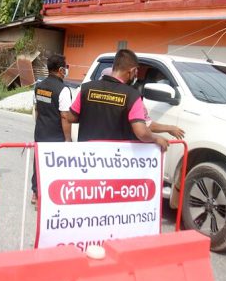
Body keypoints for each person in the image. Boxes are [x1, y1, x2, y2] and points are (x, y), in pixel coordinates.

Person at [67, 49, 169, 151]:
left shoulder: (86, 88)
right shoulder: (132, 96)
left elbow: (71, 118)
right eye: (136, 73)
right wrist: (155, 138)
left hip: (87, 156)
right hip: (115, 159)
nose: (135, 76)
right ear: (132, 71)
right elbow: (141, 132)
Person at [99, 66, 185, 140]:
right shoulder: (132, 98)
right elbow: (145, 126)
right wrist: (164, 132)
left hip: (91, 149)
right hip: (119, 149)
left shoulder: (87, 91)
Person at [31, 54, 72, 204]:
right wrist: (68, 139)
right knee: (54, 166)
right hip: (56, 136)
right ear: (61, 70)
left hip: (41, 131)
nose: (66, 71)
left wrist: (40, 126)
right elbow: (65, 117)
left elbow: (37, 110)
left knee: (38, 163)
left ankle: (35, 193)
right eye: (65, 68)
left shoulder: (39, 86)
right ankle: (47, 197)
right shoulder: (63, 90)